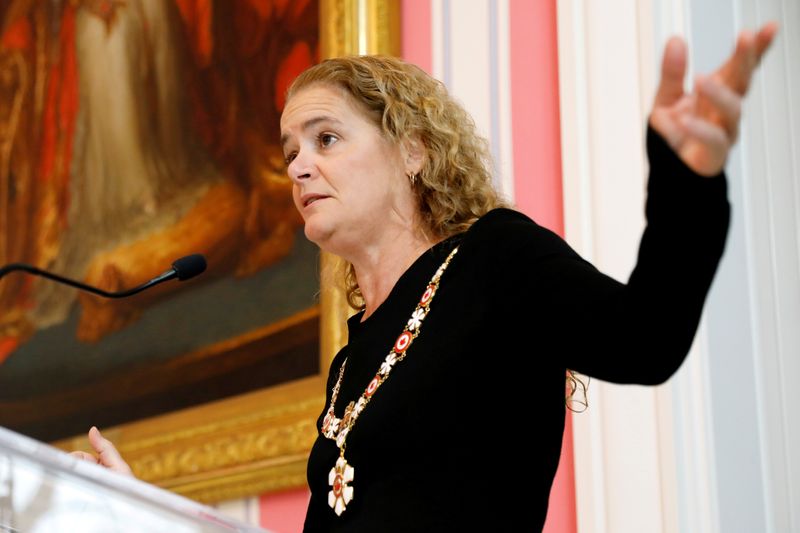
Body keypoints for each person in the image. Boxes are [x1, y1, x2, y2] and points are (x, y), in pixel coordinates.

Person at [74, 23, 778, 532]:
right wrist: (145, 513)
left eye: (326, 138)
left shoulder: (494, 261)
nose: (296, 166)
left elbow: (647, 339)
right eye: (289, 150)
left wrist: (687, 182)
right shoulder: (352, 356)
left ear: (413, 152)